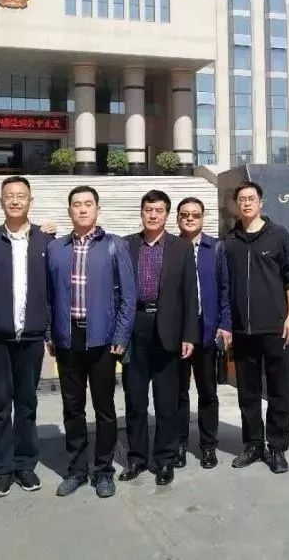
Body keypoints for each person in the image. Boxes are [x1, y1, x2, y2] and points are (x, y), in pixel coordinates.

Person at [0, 176, 54, 498]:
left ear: (30, 201)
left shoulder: (46, 241)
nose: (15, 201)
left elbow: (53, 292)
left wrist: (49, 333)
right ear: (1, 201)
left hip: (31, 339)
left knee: (27, 403)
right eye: (9, 196)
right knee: (0, 405)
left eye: (21, 196)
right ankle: (1, 468)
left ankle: (25, 464)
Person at [46, 185, 136, 499]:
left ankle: (103, 471)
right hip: (68, 338)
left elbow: (128, 296)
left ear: (98, 209)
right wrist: (50, 333)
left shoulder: (115, 245)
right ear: (69, 210)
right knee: (72, 408)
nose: (82, 209)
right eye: (76, 204)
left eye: (88, 204)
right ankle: (76, 470)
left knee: (104, 409)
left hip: (103, 339)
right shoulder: (56, 248)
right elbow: (48, 296)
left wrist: (121, 335)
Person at [119, 190, 199, 487]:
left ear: (167, 215)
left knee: (167, 402)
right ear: (141, 212)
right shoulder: (126, 245)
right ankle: (137, 458)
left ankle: (165, 459)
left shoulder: (181, 248)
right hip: (134, 327)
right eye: (148, 210)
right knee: (135, 400)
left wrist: (189, 334)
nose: (153, 215)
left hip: (169, 329)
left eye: (159, 210)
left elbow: (190, 295)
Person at [225, 181, 289, 474]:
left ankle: (277, 448)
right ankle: (253, 445)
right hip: (242, 331)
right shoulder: (230, 240)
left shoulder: (278, 235)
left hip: (275, 328)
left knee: (279, 390)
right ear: (236, 204)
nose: (246, 203)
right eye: (242, 199)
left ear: (261, 203)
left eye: (251, 198)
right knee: (248, 392)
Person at [174, 197, 231, 470]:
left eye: (195, 215)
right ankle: (180, 444)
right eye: (185, 214)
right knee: (179, 393)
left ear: (202, 218)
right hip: (178, 333)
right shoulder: (170, 247)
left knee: (208, 392)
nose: (190, 218)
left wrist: (226, 324)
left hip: (207, 330)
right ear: (177, 218)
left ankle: (208, 446)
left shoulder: (216, 247)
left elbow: (226, 290)